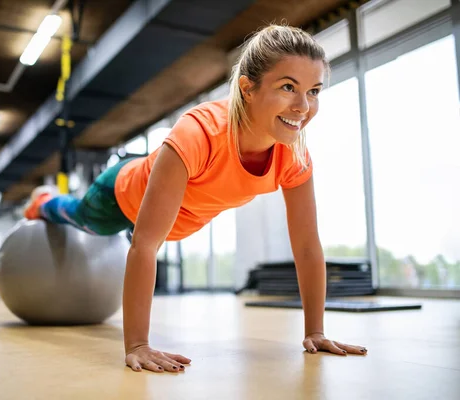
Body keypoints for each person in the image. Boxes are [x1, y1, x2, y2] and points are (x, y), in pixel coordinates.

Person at [24, 24, 368, 373]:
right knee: (81, 219)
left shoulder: (293, 157)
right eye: (288, 87)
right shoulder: (199, 133)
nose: (303, 106)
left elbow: (307, 245)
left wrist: (315, 331)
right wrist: (138, 345)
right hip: (120, 196)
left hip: (176, 219)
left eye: (314, 91)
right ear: (248, 89)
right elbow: (144, 244)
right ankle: (44, 202)